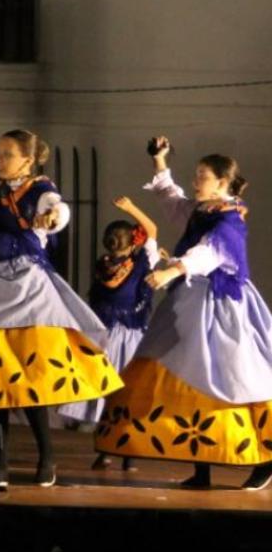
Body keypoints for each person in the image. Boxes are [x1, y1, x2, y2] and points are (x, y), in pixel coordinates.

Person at [0, 104, 120, 488]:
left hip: (28, 286)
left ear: (28, 160)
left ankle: (47, 456)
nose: (0, 159)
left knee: (29, 378)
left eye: (8, 154)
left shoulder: (40, 189)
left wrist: (52, 218)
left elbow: (56, 209)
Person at [96, 137, 272, 491]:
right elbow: (171, 201)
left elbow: (209, 253)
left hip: (222, 304)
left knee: (234, 379)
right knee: (189, 380)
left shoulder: (230, 219)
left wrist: (171, 271)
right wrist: (160, 160)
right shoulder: (202, 210)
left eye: (203, 177)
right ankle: (201, 470)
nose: (196, 181)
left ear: (222, 182)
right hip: (192, 300)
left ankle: (265, 460)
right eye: (196, 175)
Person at [60, 197, 159, 471]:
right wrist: (131, 208)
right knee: (127, 393)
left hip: (105, 335)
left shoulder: (103, 265)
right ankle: (126, 453)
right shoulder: (141, 262)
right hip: (130, 335)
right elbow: (152, 230)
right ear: (133, 243)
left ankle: (105, 451)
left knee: (106, 392)